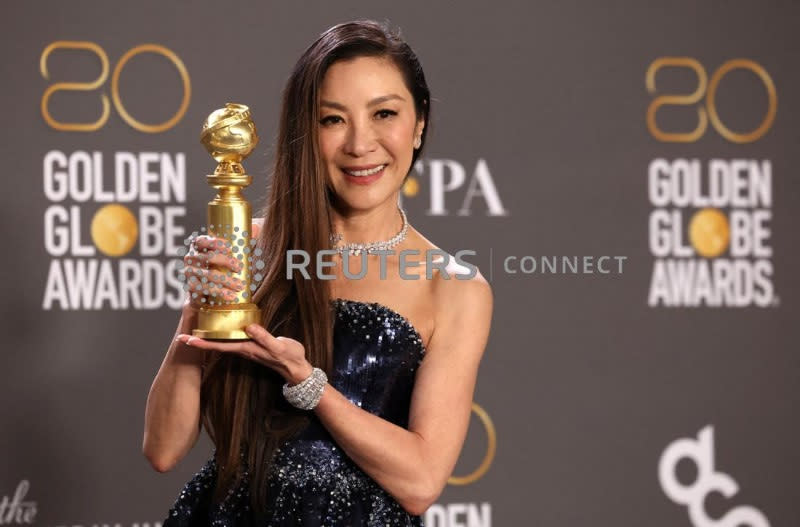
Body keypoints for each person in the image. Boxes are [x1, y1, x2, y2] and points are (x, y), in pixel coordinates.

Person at [143, 18, 493, 526]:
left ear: (418, 125)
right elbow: (162, 449)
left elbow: (421, 482)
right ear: (307, 132)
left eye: (384, 114)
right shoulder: (252, 245)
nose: (360, 144)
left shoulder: (455, 287)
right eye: (333, 119)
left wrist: (308, 383)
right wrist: (199, 310)